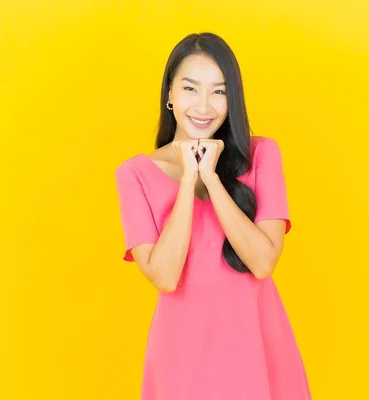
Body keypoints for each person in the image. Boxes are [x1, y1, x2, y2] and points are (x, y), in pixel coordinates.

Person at [114, 32, 311, 400]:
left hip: (258, 346)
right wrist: (188, 177)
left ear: (231, 99)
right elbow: (165, 276)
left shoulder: (262, 155)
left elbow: (264, 261)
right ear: (169, 96)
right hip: (181, 357)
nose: (204, 105)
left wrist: (211, 177)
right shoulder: (134, 175)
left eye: (218, 91)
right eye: (190, 89)